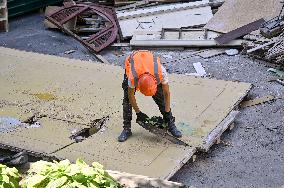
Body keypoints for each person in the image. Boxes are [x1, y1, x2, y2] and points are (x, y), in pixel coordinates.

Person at [118, 50, 182, 142]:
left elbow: (166, 93)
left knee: (161, 98)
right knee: (127, 100)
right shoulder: (132, 76)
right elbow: (131, 95)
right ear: (138, 85)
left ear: (156, 83)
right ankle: (126, 129)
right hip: (134, 61)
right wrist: (138, 113)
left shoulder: (160, 72)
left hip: (149, 65)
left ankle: (170, 124)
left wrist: (167, 112)